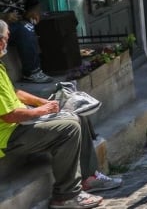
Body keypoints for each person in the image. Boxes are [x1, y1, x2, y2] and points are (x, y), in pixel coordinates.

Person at [0, 21, 122, 208]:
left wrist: (43, 103)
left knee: (76, 112)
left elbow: (14, 92)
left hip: (19, 124)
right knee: (69, 127)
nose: (6, 44)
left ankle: (89, 177)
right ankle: (66, 196)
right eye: (6, 39)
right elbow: (10, 116)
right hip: (9, 135)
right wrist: (42, 111)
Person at [0, 0, 51, 83]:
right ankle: (32, 72)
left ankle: (45, 67)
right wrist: (3, 17)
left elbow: (35, 4)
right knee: (24, 30)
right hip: (2, 26)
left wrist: (33, 12)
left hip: (18, 24)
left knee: (32, 27)